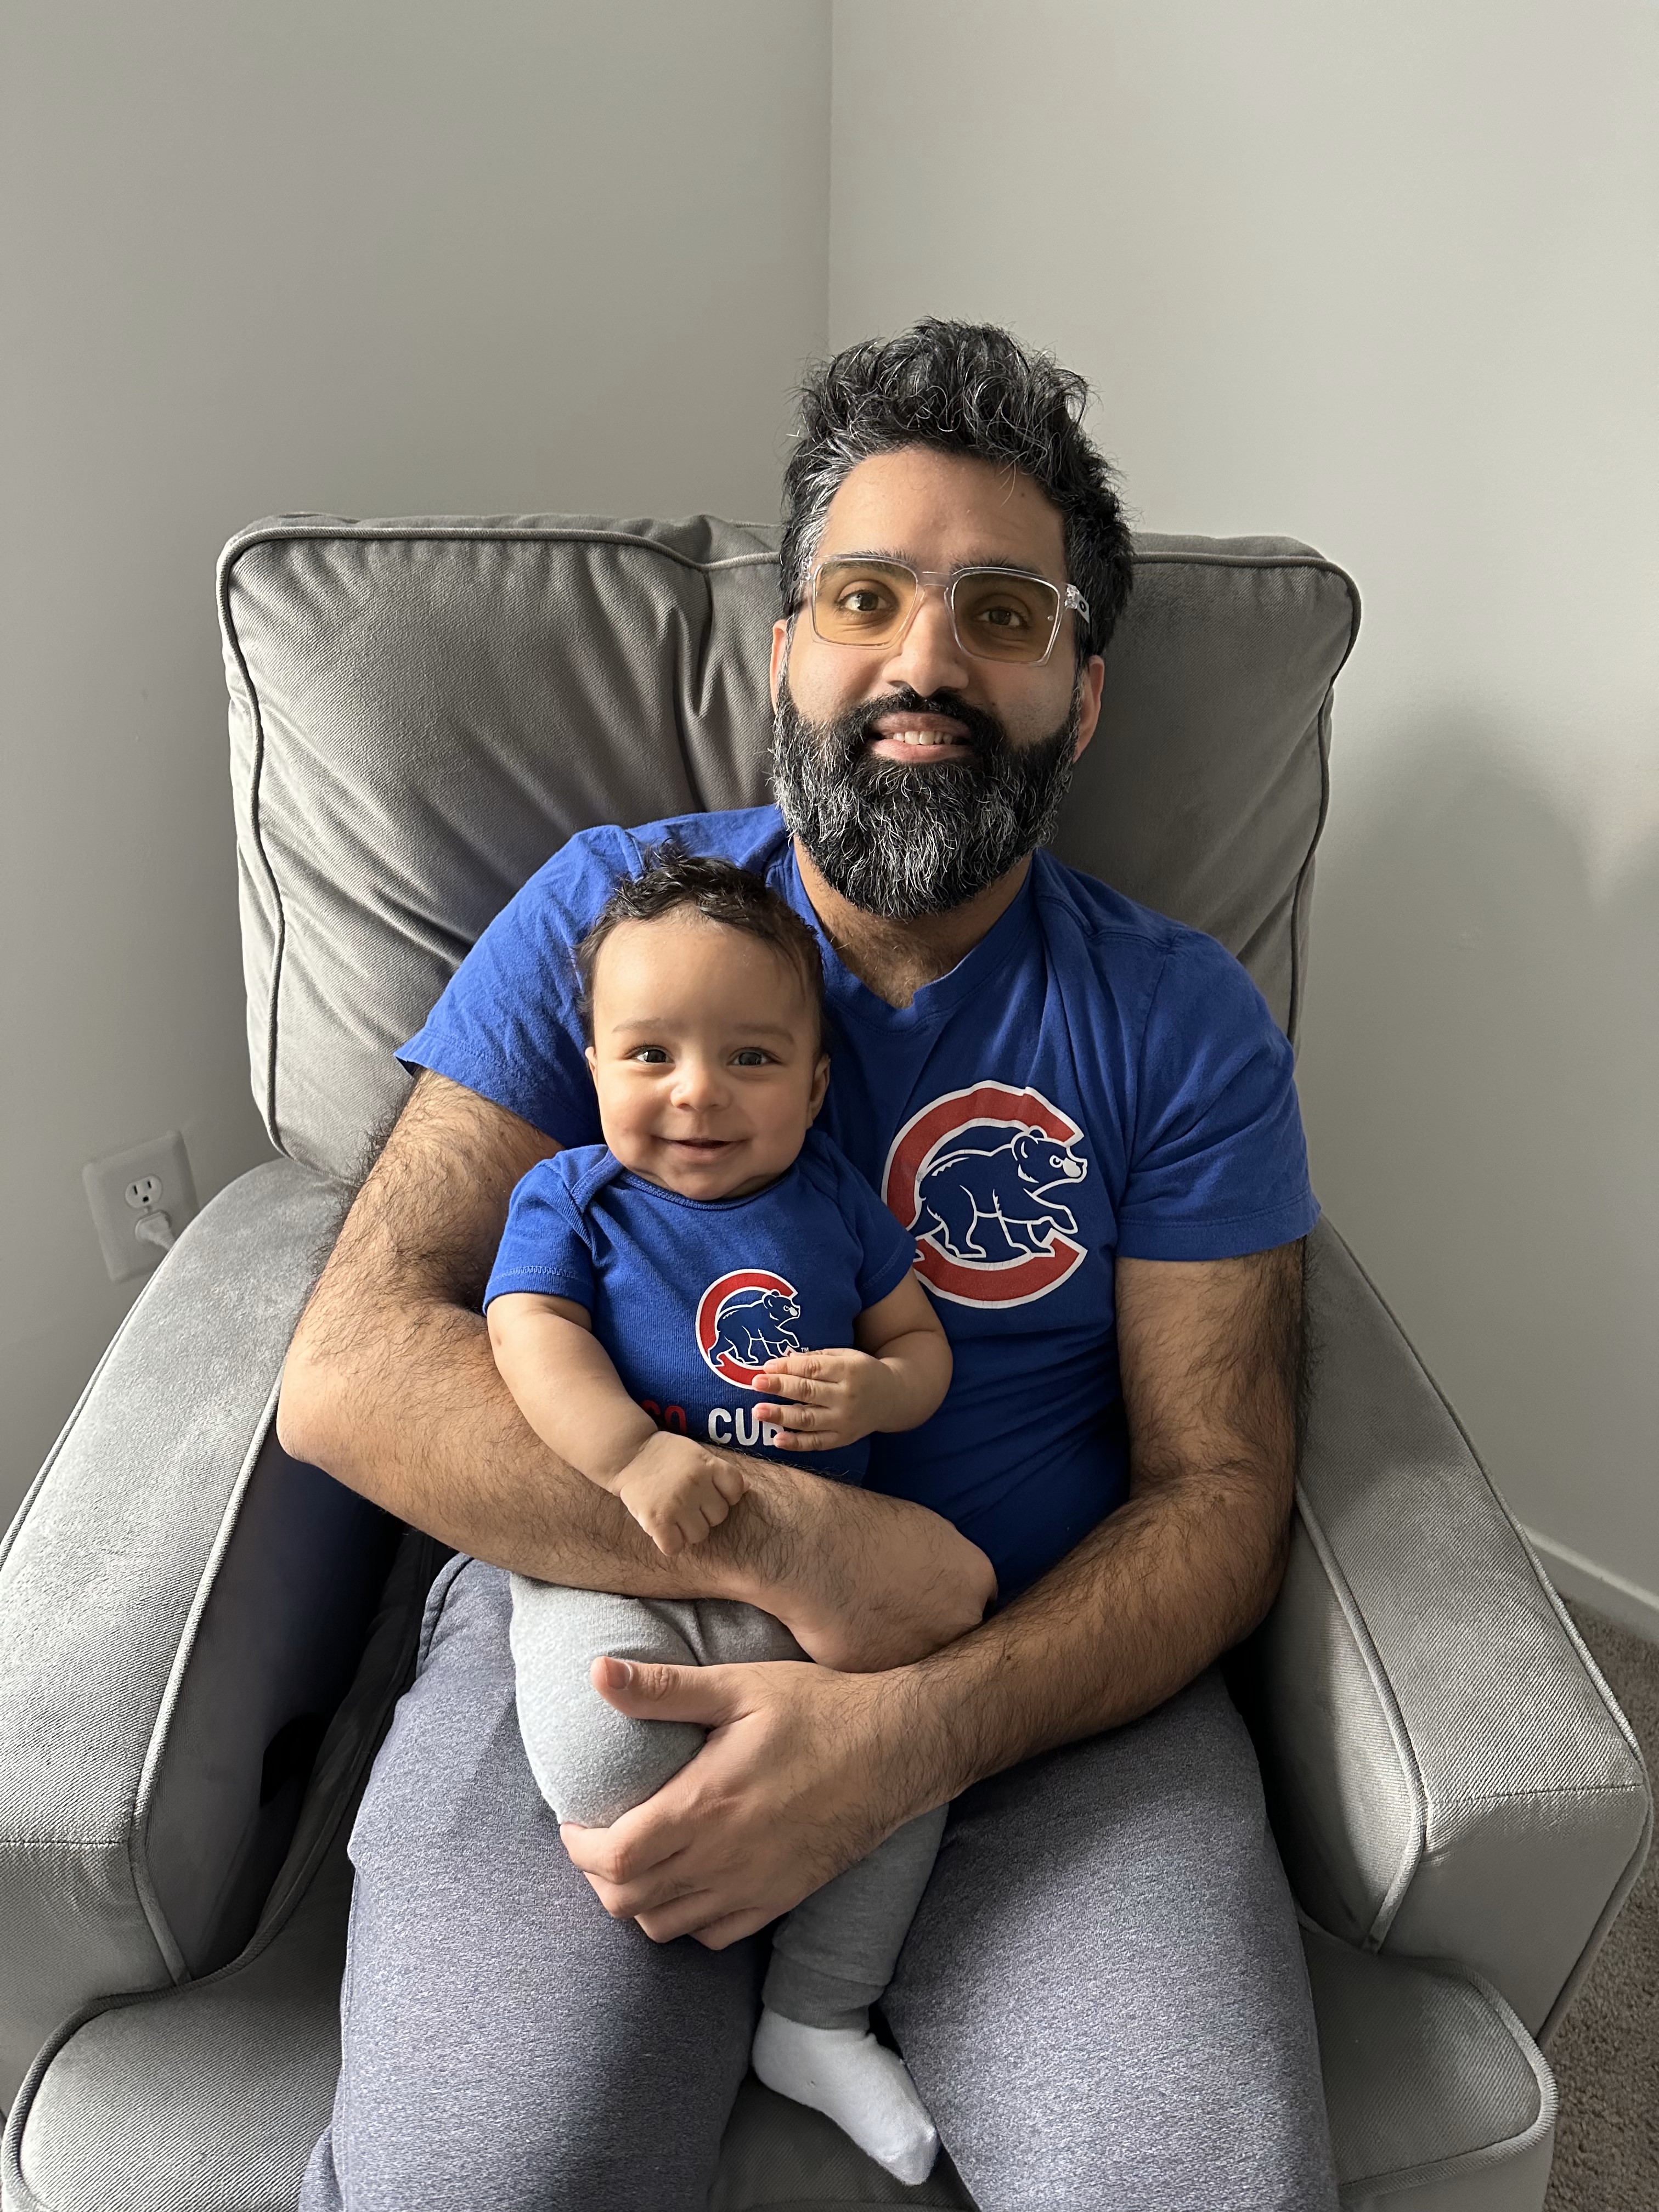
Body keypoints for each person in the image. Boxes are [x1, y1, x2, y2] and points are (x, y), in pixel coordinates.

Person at [284, 319, 1340, 2211]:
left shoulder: (1178, 1018)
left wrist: (916, 1719)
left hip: (1041, 1693)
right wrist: (794, 1545)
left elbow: (1219, 1491)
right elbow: (353, 1364)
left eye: (1002, 614)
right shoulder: (599, 926)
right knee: (487, 2179)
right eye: (866, 596)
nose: (924, 662)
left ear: (1079, 695)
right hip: (597, 1639)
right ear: (786, 650)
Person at [488, 850, 953, 2182]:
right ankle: (681, 1866)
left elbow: (923, 1354)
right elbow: (529, 1338)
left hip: (809, 1592)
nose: (696, 1093)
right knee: (605, 1749)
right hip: (613, 1568)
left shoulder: (837, 1210)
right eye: (650, 1055)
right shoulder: (574, 1198)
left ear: (814, 1085)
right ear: (592, 1070)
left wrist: (879, 1393)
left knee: (908, 1762)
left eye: (751, 1059)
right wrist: (631, 1457)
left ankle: (814, 2013)